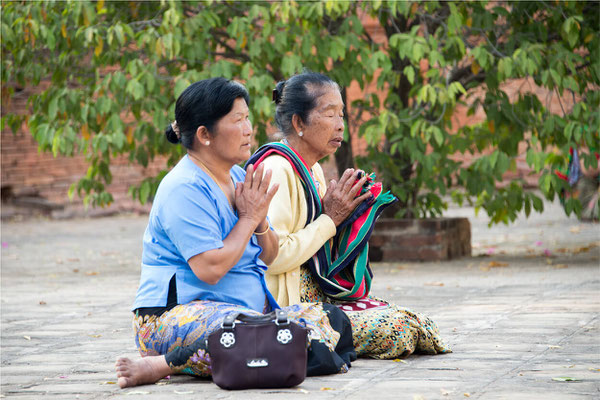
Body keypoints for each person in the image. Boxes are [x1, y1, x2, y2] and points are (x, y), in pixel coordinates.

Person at [115, 78, 354, 388]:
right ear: (204, 135)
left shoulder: (239, 177)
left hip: (247, 315)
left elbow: (268, 254)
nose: (248, 129)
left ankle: (262, 345)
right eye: (237, 120)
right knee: (245, 333)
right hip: (172, 318)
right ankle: (162, 364)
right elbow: (210, 269)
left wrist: (260, 222)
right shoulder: (184, 187)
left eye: (248, 118)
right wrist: (248, 218)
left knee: (332, 321)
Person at [247, 72, 451, 359]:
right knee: (399, 329)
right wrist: (330, 220)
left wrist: (349, 216)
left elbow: (320, 242)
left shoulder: (312, 168)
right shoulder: (276, 170)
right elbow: (274, 257)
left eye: (341, 114)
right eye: (329, 114)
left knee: (417, 321)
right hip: (286, 304)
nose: (340, 125)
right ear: (298, 123)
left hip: (318, 296)